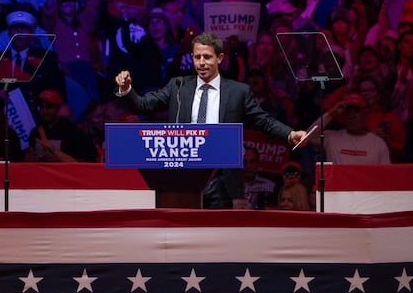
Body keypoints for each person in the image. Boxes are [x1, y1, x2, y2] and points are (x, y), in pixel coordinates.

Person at [114, 31, 308, 209]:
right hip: (180, 177)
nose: (202, 62)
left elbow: (263, 121)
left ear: (220, 58)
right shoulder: (178, 86)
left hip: (221, 178)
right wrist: (127, 90)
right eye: (197, 57)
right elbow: (144, 105)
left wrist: (290, 134)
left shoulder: (237, 91)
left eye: (207, 57)